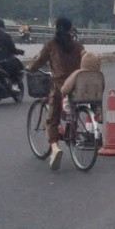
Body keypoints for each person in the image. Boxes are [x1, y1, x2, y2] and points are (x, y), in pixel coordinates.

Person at [29, 17, 84, 170]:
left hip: (60, 87)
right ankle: (72, 134)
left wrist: (30, 68)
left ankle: (54, 148)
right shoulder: (78, 46)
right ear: (70, 28)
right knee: (73, 112)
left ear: (56, 28)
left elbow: (38, 61)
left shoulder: (51, 45)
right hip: (77, 87)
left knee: (52, 119)